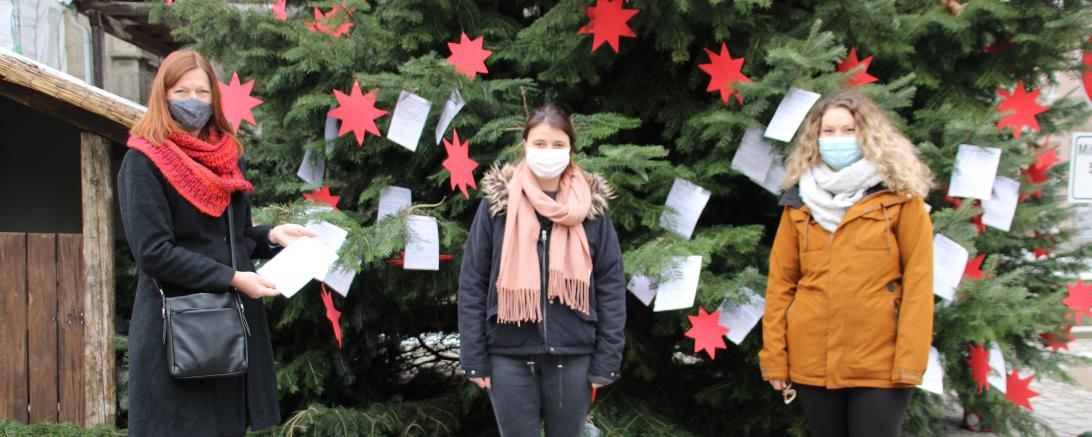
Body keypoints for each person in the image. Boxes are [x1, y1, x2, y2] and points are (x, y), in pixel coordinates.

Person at [117, 50, 314, 436]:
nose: (194, 102)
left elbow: (232, 236)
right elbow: (154, 253)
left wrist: (272, 235)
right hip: (174, 332)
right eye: (182, 91)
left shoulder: (227, 159)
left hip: (228, 331)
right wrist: (234, 278)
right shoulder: (144, 161)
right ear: (163, 95)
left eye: (203, 92)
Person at [758, 90, 935, 437]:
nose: (838, 139)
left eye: (848, 130)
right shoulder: (799, 203)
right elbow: (781, 284)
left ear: (867, 135)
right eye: (829, 131)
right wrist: (775, 357)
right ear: (815, 138)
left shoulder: (901, 198)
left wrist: (910, 363)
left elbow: (919, 285)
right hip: (812, 360)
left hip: (880, 362)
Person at [457, 103, 626, 436]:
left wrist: (608, 358)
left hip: (574, 354)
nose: (549, 152)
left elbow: (610, 284)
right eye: (539, 144)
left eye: (558, 145)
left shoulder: (591, 209)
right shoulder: (497, 205)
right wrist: (473, 356)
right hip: (508, 355)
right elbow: (473, 281)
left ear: (570, 148)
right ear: (525, 146)